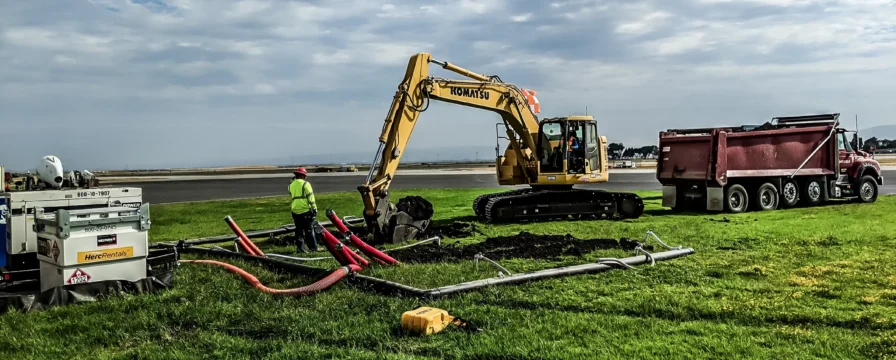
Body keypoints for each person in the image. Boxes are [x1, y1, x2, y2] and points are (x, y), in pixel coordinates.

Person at [288, 167, 319, 252]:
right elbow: (311, 197)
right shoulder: (306, 184)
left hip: (294, 209)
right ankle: (313, 248)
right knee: (309, 230)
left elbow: (290, 193)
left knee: (299, 230)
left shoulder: (291, 184)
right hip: (305, 210)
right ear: (303, 175)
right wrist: (314, 209)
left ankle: (300, 248)